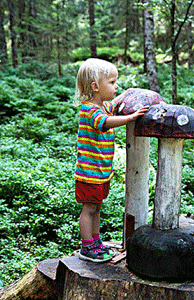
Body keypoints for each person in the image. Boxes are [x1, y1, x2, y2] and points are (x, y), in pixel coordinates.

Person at [74, 58, 148, 262]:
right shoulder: (89, 110)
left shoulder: (104, 105)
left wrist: (129, 94)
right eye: (112, 83)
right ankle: (86, 247)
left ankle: (95, 241)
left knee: (96, 207)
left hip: (101, 173)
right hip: (89, 174)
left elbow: (113, 106)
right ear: (95, 86)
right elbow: (106, 123)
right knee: (89, 209)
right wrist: (130, 118)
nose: (116, 87)